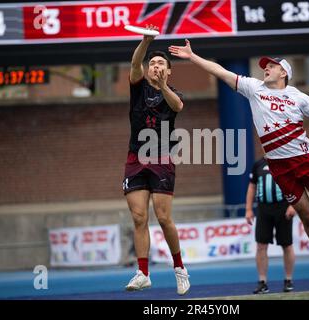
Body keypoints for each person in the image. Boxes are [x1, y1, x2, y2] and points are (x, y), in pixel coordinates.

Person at [169, 40, 309, 290]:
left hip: (304, 159)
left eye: (272, 66)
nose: (265, 68)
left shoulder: (298, 97)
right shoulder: (253, 88)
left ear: (284, 72)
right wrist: (192, 57)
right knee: (307, 216)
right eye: (265, 66)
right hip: (279, 166)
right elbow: (220, 72)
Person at [123, 25, 190, 295]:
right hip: (135, 157)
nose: (155, 65)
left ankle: (180, 269)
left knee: (163, 218)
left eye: (161, 63)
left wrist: (163, 87)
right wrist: (146, 40)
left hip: (162, 156)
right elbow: (135, 61)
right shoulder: (138, 86)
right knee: (139, 217)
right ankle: (143, 272)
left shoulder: (172, 92)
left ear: (169, 70)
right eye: (153, 62)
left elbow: (178, 107)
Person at [245, 157, 296, 294]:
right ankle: (262, 282)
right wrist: (249, 209)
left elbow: (295, 183)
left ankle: (288, 280)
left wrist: (293, 205)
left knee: (287, 244)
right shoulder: (258, 165)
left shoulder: (285, 161)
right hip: (264, 209)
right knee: (261, 245)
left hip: (283, 208)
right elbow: (252, 186)